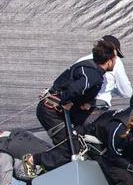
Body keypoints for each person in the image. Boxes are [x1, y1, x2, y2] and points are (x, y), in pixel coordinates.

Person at [22, 41, 118, 177]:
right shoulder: (93, 74)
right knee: (70, 150)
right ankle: (32, 160)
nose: (115, 62)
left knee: (77, 141)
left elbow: (71, 87)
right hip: (52, 112)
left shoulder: (90, 67)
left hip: (54, 110)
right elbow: (75, 88)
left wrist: (87, 103)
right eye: (115, 59)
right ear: (109, 61)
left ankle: (47, 168)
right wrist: (66, 101)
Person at [75, 35, 132, 112]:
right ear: (113, 51)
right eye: (116, 54)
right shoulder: (116, 61)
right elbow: (126, 92)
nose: (115, 57)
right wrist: (111, 85)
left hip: (76, 107)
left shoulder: (81, 60)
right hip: (98, 108)